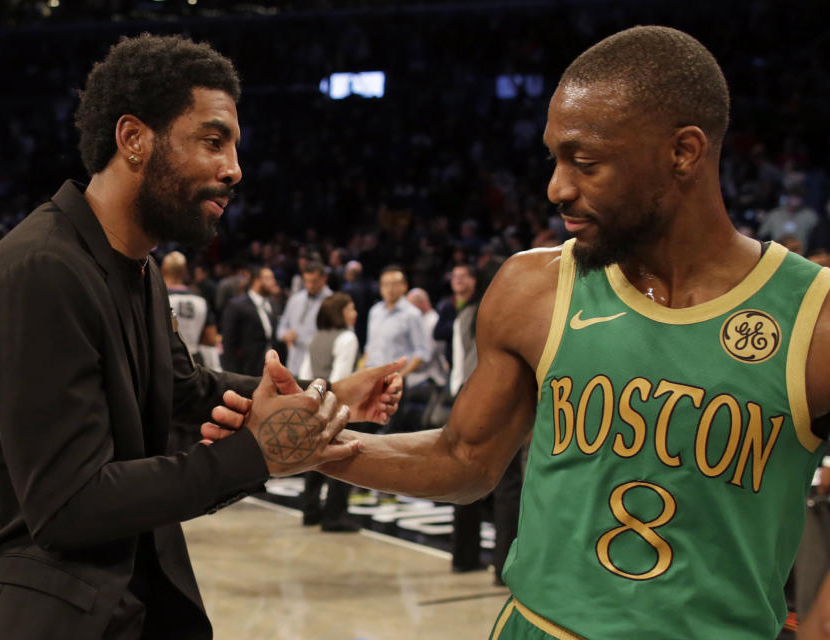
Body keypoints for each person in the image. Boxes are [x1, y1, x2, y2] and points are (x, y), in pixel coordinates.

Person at [211, 26, 830, 639]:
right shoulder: (533, 287)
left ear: (684, 152)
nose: (557, 188)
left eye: (586, 163)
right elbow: (465, 459)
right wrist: (311, 445)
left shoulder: (815, 315)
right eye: (555, 158)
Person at [0, 34, 402, 640]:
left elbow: (184, 389)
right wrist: (256, 454)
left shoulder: (135, 264)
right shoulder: (40, 270)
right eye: (212, 140)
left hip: (120, 601)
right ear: (133, 140)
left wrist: (322, 394)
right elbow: (69, 506)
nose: (234, 168)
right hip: (32, 612)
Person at [298, 292, 361, 532]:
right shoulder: (347, 338)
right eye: (351, 309)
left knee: (315, 459)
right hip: (336, 406)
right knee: (341, 460)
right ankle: (334, 515)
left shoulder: (316, 338)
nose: (354, 314)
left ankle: (310, 510)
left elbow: (305, 373)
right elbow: (340, 378)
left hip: (313, 402)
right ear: (339, 313)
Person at [221, 265, 279, 376]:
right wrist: (232, 374)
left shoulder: (274, 304)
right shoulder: (236, 305)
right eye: (268, 278)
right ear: (257, 281)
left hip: (270, 369)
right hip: (246, 370)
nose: (273, 282)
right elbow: (228, 342)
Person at [277, 260, 332, 374]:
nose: (310, 285)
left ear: (324, 278)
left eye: (314, 281)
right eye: (306, 281)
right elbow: (282, 326)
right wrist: (285, 334)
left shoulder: (332, 301)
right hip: (294, 364)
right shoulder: (295, 299)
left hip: (319, 366)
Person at [161, 250, 215, 363]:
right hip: (194, 361)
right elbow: (211, 338)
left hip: (165, 360)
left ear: (162, 270)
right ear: (185, 272)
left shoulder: (158, 297)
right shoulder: (200, 300)